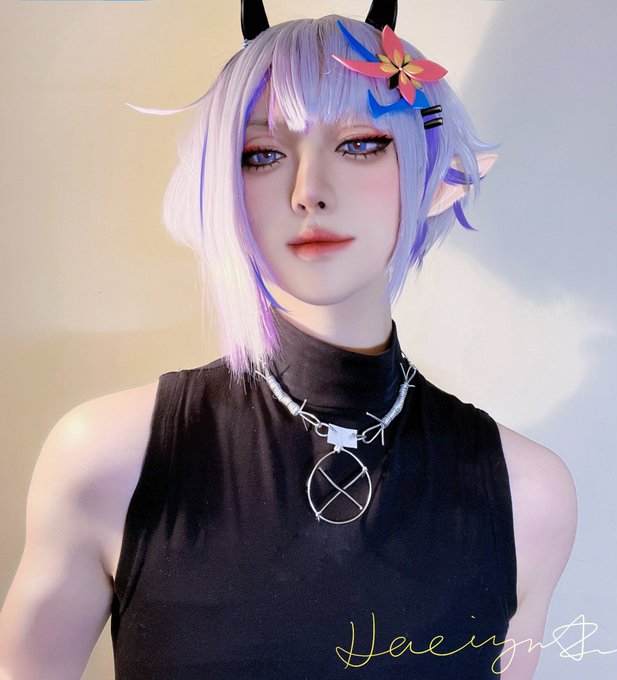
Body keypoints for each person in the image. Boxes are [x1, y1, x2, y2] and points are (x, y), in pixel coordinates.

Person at [0, 2, 577, 678]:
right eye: (263, 154)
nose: (309, 191)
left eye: (360, 144)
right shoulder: (108, 460)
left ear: (432, 175)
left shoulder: (528, 496)